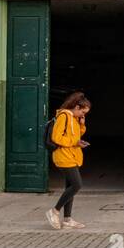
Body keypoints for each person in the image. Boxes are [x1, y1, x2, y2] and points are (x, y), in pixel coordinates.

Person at [46, 92, 91, 230]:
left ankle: (67, 219)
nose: (83, 115)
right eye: (83, 112)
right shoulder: (64, 116)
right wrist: (75, 143)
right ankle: (54, 211)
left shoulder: (74, 119)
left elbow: (75, 135)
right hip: (63, 156)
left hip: (71, 156)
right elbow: (56, 138)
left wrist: (82, 125)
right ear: (77, 107)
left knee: (70, 188)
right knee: (77, 185)